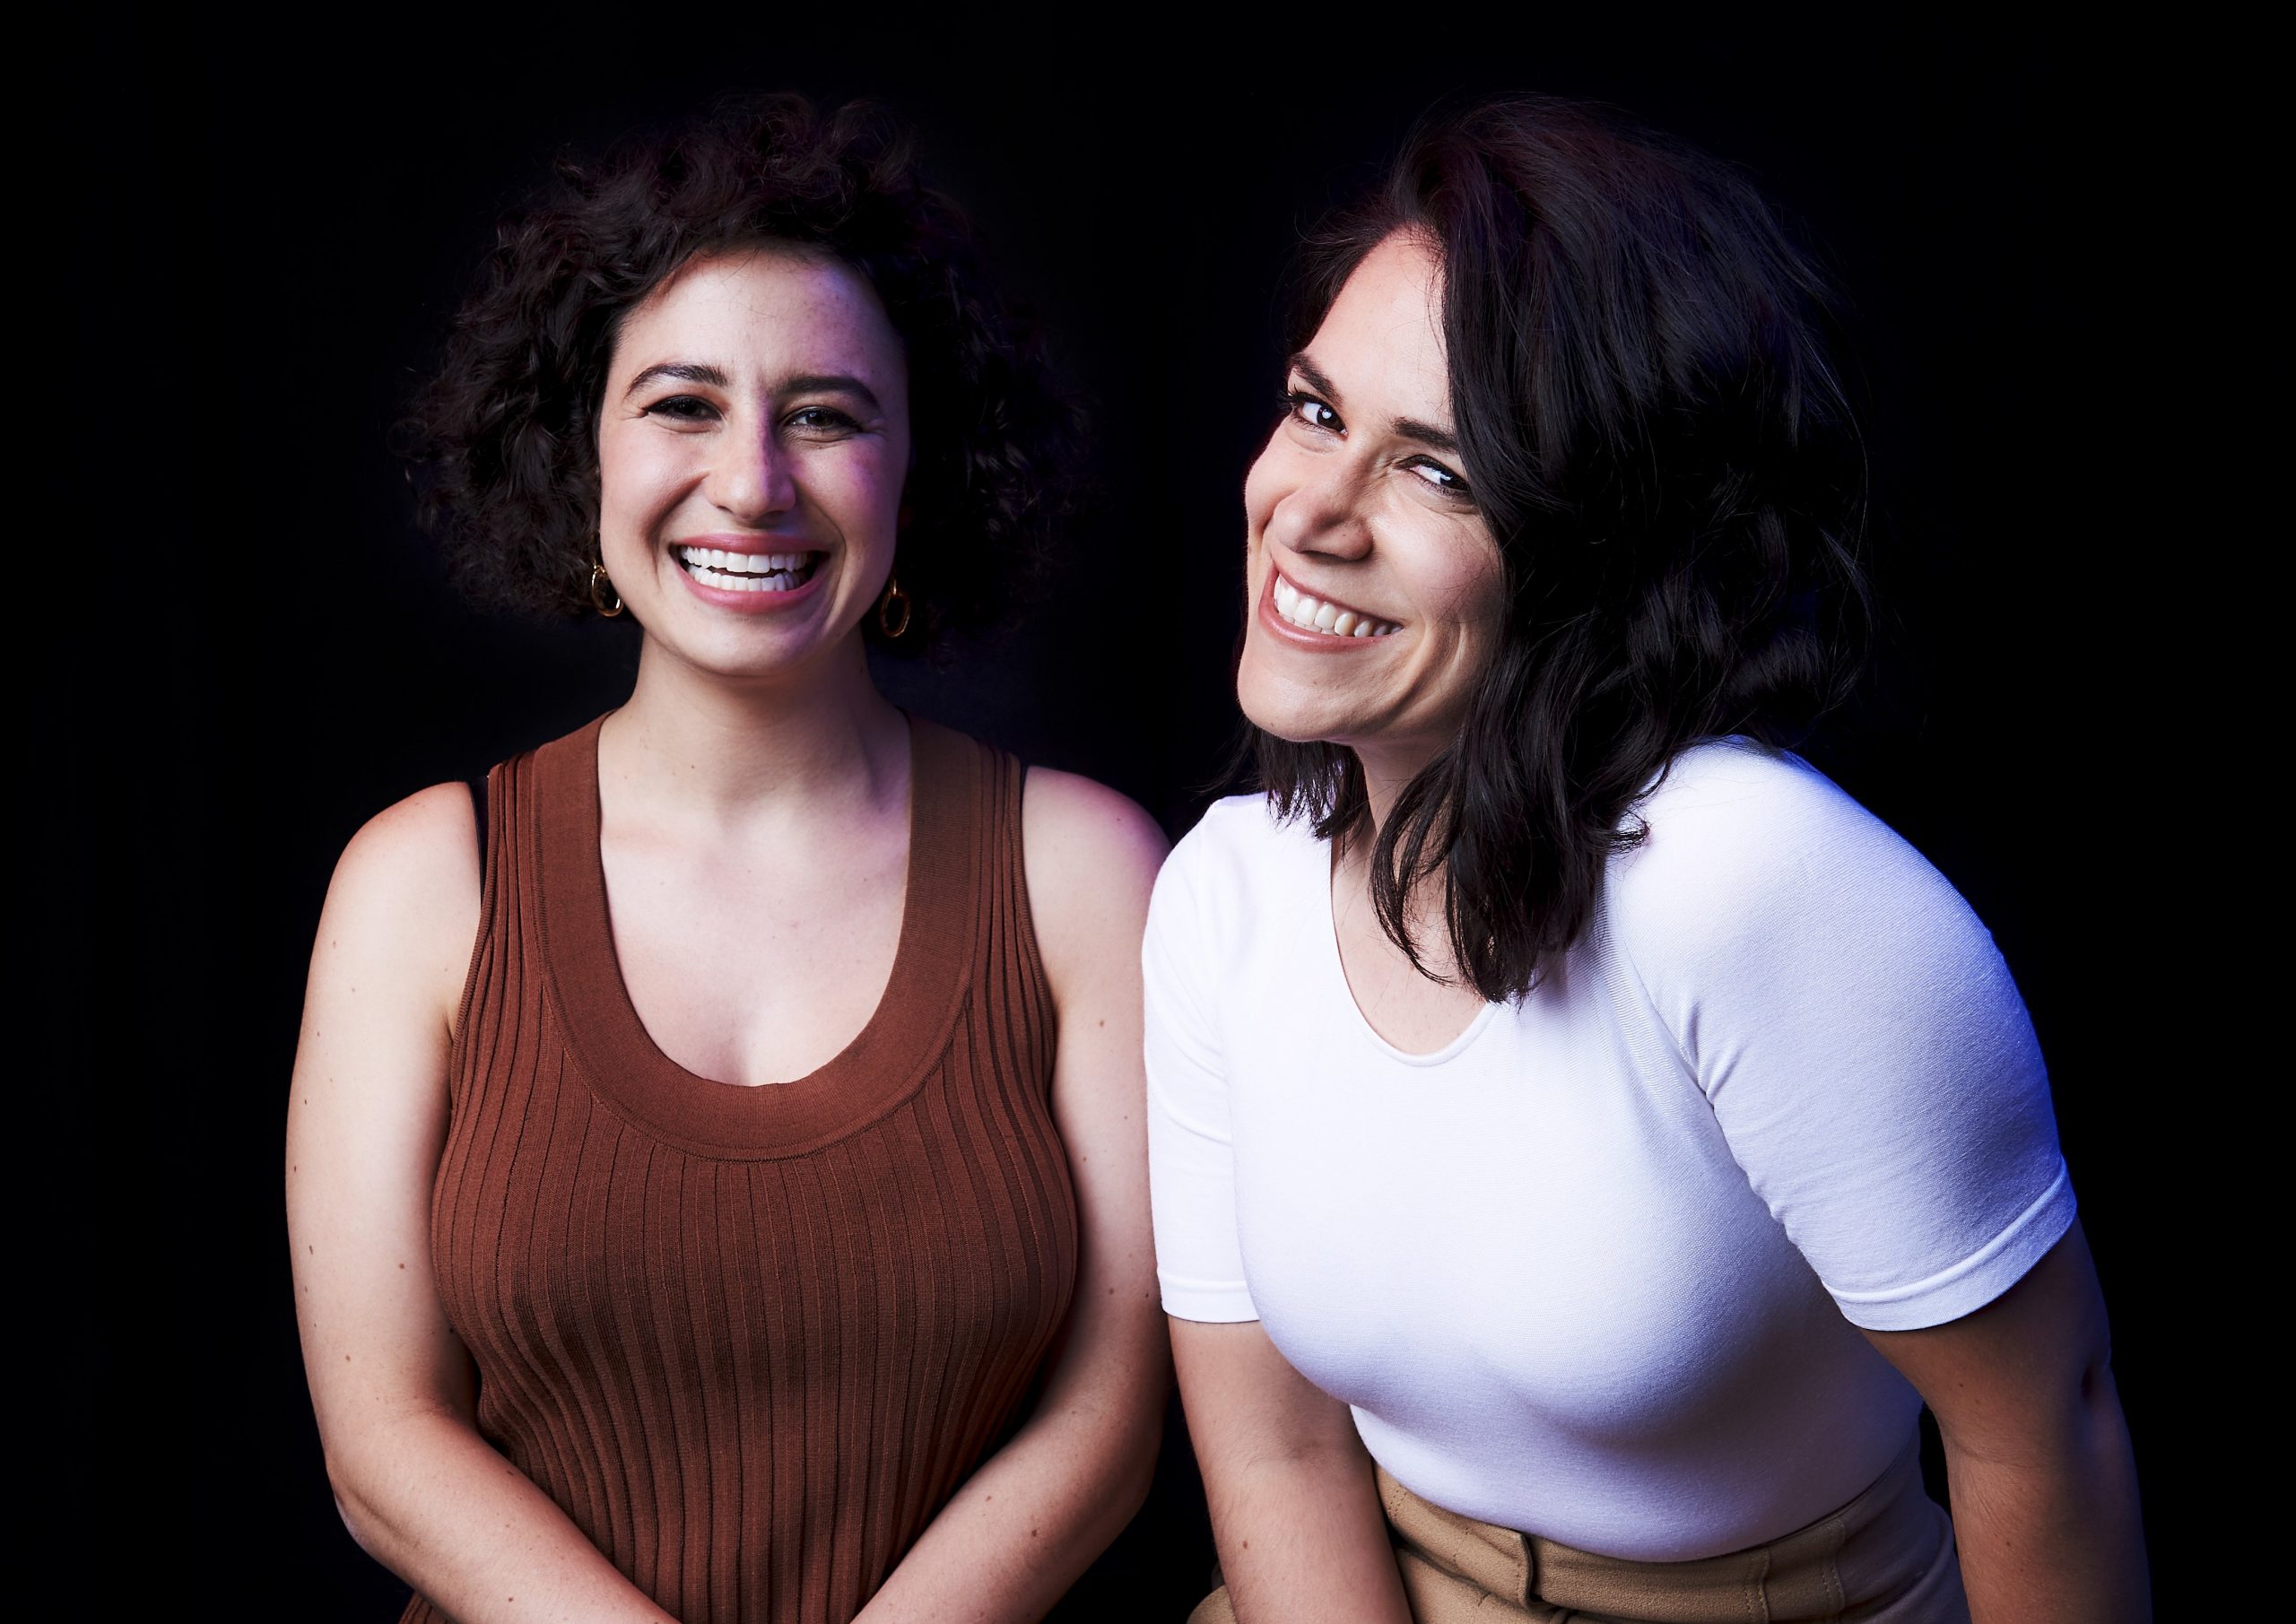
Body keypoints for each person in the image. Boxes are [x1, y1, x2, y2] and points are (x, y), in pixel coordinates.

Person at [1146, 98, 2147, 1624]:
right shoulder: (1223, 897)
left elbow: (2039, 1427)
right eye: (1316, 410)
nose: (1312, 515)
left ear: (1591, 547)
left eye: (1441, 473)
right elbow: (1277, 1461)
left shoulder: (1749, 884)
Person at [286, 97, 1169, 1624]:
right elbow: (382, 1446)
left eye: (825, 414)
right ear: (584, 461)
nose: (753, 481)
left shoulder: (1085, 872)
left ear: (918, 471)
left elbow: (1107, 1421)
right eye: (682, 405)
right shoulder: (421, 884)